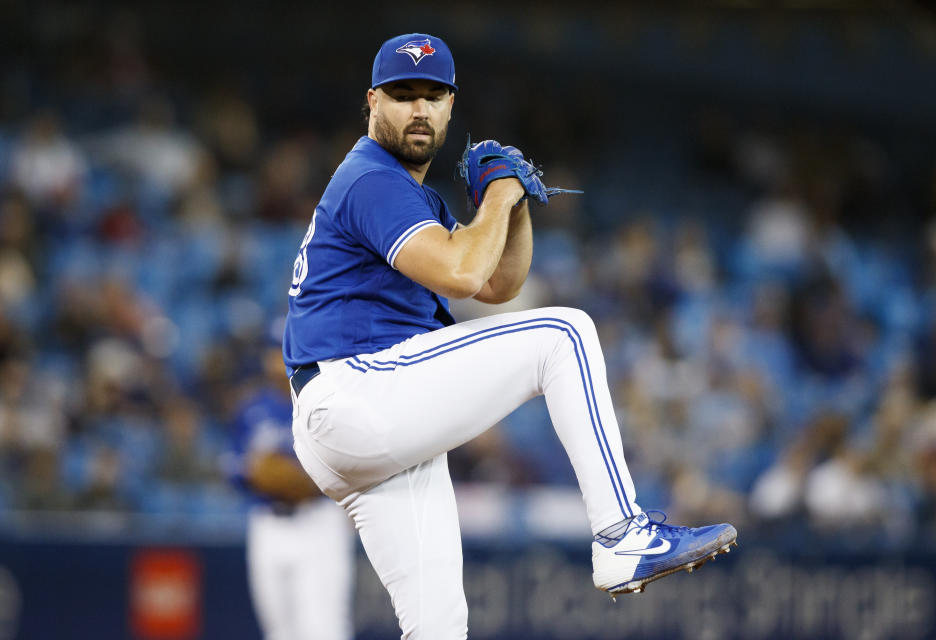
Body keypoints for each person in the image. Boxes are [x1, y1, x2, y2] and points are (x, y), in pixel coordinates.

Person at [283, 32, 737, 639]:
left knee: (439, 628)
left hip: (362, 422)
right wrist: (498, 190)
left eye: (432, 95)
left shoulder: (410, 195)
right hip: (355, 390)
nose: (418, 109)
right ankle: (622, 535)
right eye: (402, 94)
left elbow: (496, 284)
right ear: (371, 102)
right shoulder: (372, 178)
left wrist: (515, 206)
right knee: (564, 333)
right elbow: (465, 270)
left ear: (450, 106)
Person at [228, 346, 354, 640]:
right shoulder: (251, 409)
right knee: (278, 631)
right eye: (273, 351)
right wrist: (255, 473)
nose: (278, 359)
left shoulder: (330, 401)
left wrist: (300, 479)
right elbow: (230, 467)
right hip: (268, 522)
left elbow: (347, 463)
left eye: (284, 350)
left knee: (324, 629)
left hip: (318, 520)